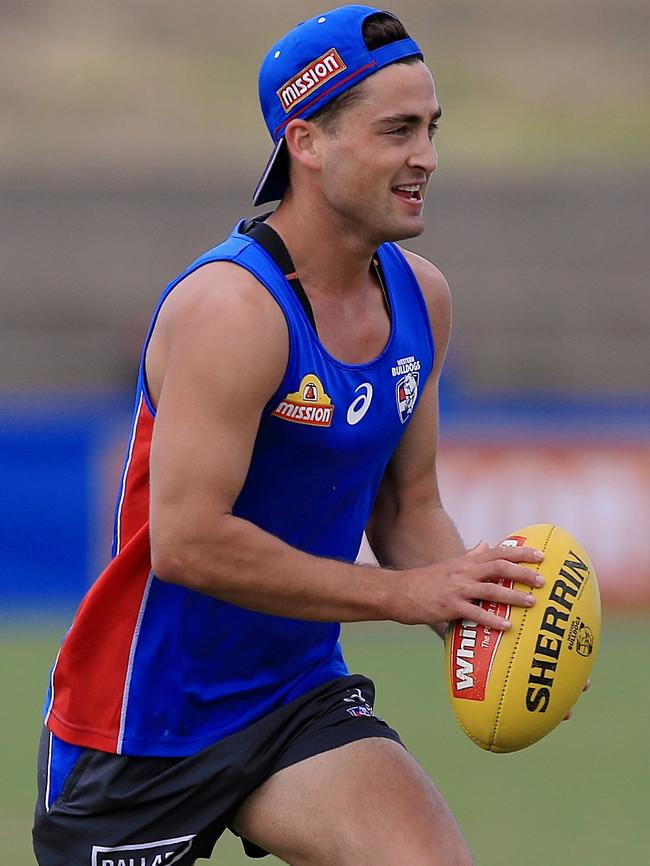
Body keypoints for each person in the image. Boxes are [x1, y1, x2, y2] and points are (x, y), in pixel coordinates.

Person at [33, 7, 552, 865]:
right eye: (396, 130)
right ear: (306, 143)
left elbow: (409, 509)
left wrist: (492, 639)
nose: (425, 157)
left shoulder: (422, 298)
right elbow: (191, 545)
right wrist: (399, 597)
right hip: (140, 720)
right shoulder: (230, 310)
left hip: (294, 693)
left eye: (430, 128)